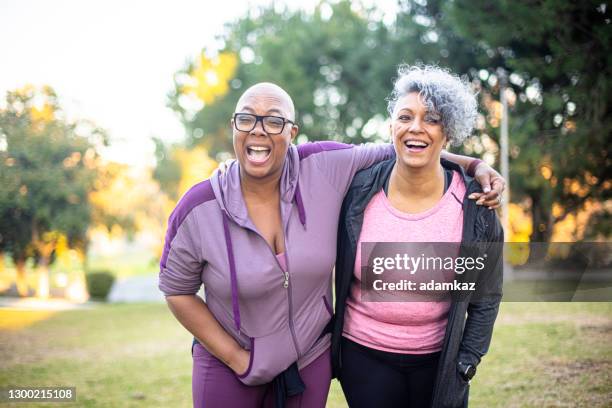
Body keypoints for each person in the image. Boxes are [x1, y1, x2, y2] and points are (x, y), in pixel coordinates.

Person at [158, 81, 504, 407]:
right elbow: (176, 289)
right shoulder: (199, 206)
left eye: (274, 120)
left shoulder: (324, 167)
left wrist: (475, 165)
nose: (259, 129)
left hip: (310, 357)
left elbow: (407, 149)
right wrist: (239, 360)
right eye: (247, 118)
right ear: (234, 126)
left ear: (292, 132)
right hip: (231, 362)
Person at [331, 65, 504, 408]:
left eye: (432, 119)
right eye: (405, 116)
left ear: (448, 133)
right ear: (391, 126)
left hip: (439, 361)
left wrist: (467, 360)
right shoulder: (356, 192)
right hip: (364, 355)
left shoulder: (476, 207)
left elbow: (487, 297)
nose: (416, 127)